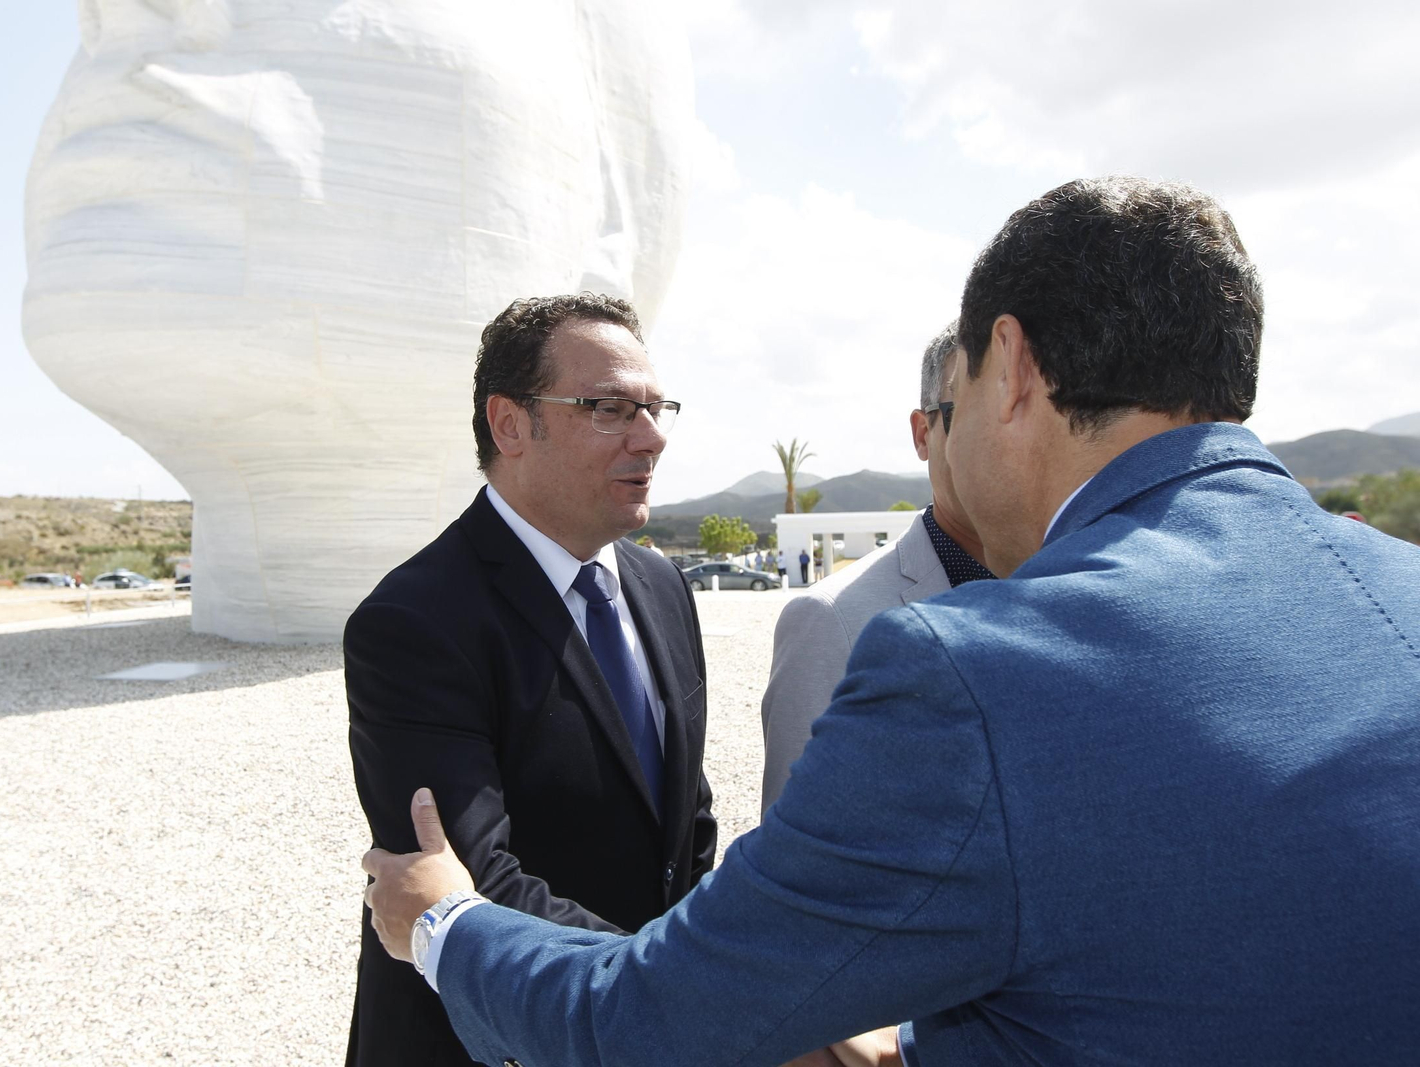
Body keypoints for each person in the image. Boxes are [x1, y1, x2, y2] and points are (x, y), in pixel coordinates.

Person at [359, 177, 1420, 1067]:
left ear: (1013, 365)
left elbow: (649, 1016)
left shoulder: (977, 671)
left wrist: (443, 923)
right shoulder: (1399, 589)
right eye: (607, 408)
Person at [342, 293, 717, 1066]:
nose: (651, 436)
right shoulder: (414, 621)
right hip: (492, 1041)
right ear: (510, 424)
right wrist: (679, 991)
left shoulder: (662, 588)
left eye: (655, 407)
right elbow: (474, 879)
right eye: (609, 408)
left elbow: (688, 827)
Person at [760, 323, 992, 812]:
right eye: (973, 415)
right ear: (923, 433)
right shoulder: (833, 621)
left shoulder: (1084, 584)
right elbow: (801, 848)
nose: (1000, 444)